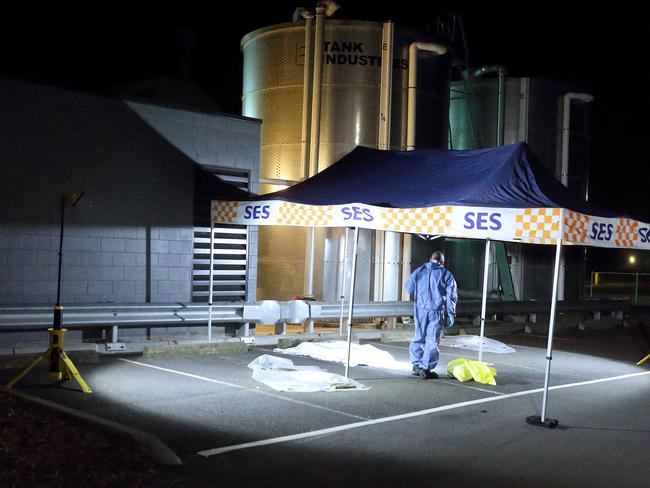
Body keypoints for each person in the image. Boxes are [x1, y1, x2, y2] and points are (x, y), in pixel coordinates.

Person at [406, 251, 457, 379]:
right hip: (436, 310)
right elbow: (452, 295)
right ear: (442, 262)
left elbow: (408, 288)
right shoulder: (445, 274)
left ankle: (416, 365)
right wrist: (451, 313)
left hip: (420, 310)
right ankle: (426, 368)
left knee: (418, 336)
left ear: (430, 259)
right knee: (432, 340)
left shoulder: (418, 271)